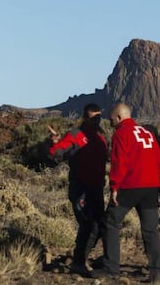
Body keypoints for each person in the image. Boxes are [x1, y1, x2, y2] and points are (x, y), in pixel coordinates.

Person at [93, 103, 160, 283]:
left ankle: (111, 269)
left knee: (111, 222)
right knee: (150, 230)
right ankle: (157, 273)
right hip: (151, 187)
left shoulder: (121, 134)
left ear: (118, 117)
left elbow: (119, 162)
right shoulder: (147, 132)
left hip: (130, 185)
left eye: (111, 119)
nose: (110, 122)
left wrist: (115, 187)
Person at [49, 103, 108, 275]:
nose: (97, 122)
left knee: (99, 225)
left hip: (97, 188)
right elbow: (56, 154)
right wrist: (54, 143)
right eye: (93, 118)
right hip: (80, 188)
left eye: (99, 118)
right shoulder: (75, 135)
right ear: (85, 117)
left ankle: (84, 258)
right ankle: (78, 261)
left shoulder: (101, 139)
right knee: (87, 224)